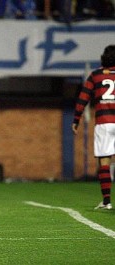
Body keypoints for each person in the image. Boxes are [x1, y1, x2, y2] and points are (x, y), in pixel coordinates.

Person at [72, 45, 115, 211]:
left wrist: (76, 119)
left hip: (104, 122)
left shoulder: (96, 75)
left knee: (104, 161)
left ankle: (106, 201)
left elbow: (83, 99)